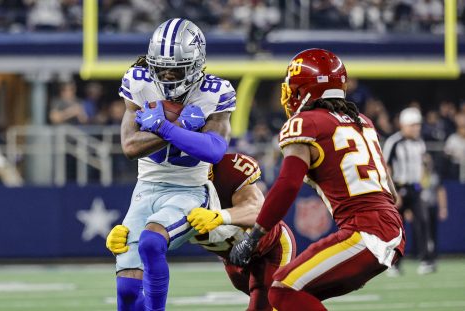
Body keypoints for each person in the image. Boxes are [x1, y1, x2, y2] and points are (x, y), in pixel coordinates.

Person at [229, 48, 405, 311]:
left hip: (364, 231)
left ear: (304, 89)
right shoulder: (362, 122)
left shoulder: (306, 123)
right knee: (298, 293)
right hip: (390, 228)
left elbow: (287, 185)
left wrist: (254, 236)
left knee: (283, 290)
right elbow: (391, 193)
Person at [115, 18, 236, 311]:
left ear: (195, 65)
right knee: (128, 290)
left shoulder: (215, 91)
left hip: (190, 191)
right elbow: (130, 146)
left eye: (176, 69)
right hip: (146, 189)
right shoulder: (138, 81)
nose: (167, 76)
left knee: (151, 243)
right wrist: (181, 127)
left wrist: (167, 128)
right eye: (161, 68)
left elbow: (215, 150)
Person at [107, 153, 296, 311]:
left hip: (269, 249)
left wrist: (221, 216)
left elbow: (260, 211)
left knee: (276, 303)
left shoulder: (229, 169)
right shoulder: (163, 189)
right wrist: (131, 240)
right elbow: (156, 241)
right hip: (232, 261)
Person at [383, 107, 433, 275]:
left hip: (415, 188)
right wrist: (393, 192)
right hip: (399, 188)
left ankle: (426, 260)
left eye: (417, 125)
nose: (416, 128)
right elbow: (386, 168)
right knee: (397, 229)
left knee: (423, 222)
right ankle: (395, 264)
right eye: (412, 125)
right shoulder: (394, 142)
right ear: (403, 125)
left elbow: (423, 164)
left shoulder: (420, 142)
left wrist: (423, 182)